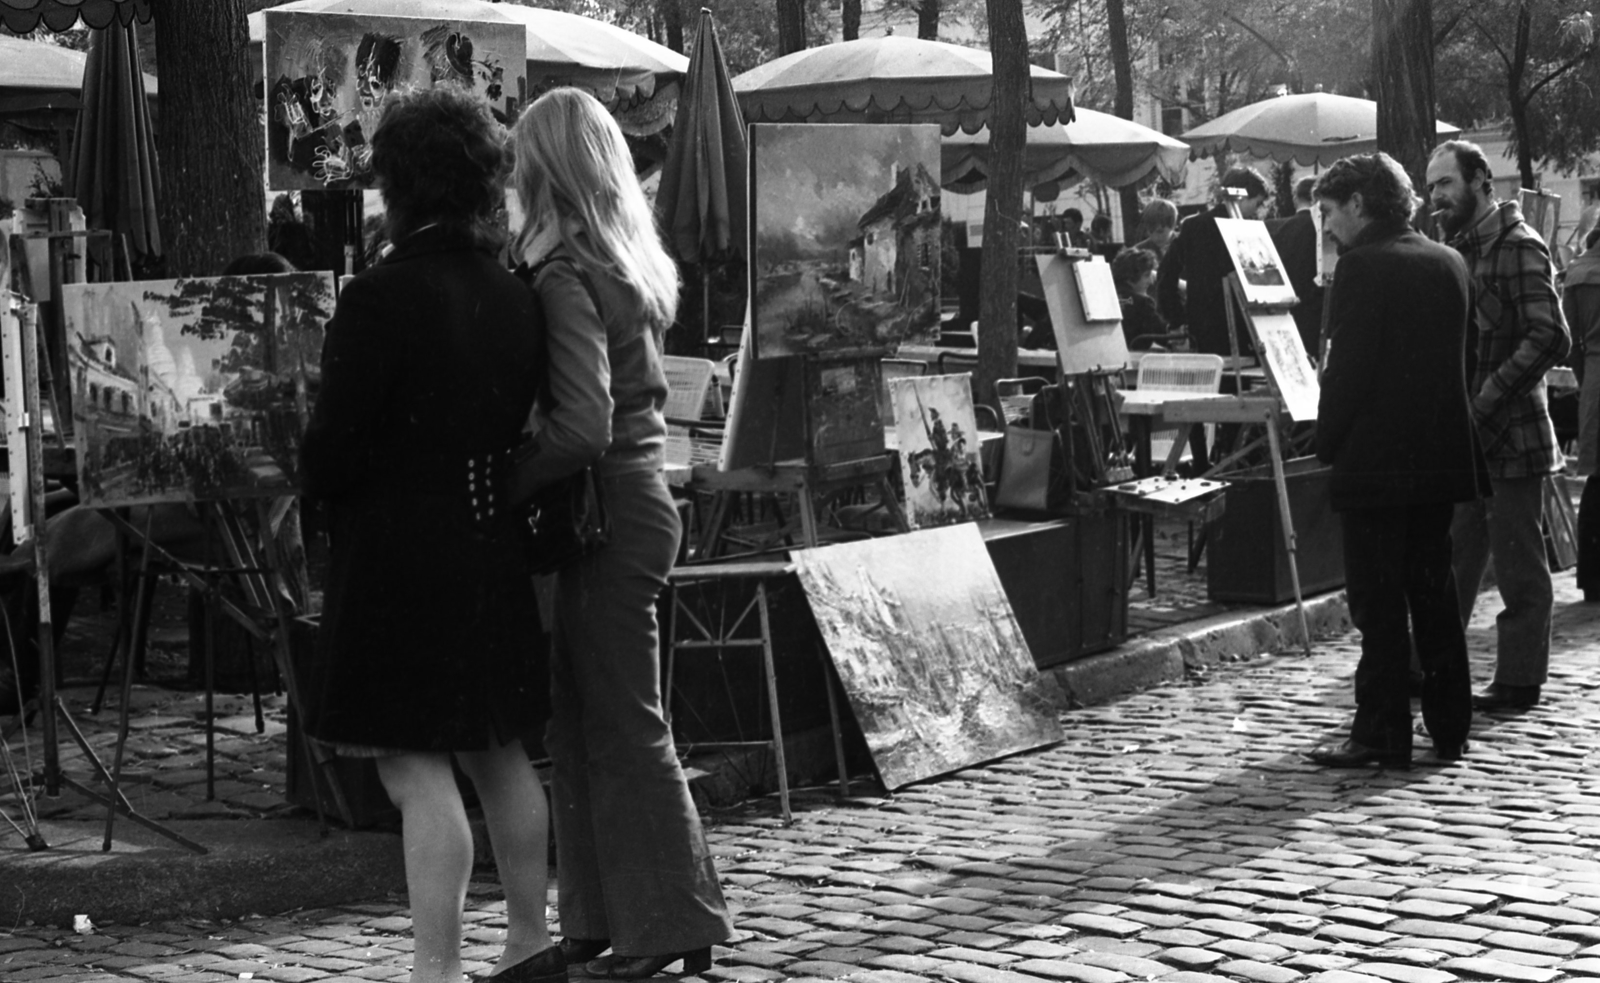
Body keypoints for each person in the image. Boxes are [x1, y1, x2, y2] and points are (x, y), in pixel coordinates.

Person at [299, 87, 559, 983]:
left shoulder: (380, 295)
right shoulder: (516, 292)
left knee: (414, 768)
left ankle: (436, 972)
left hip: (399, 557)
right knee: (497, 749)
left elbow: (334, 446)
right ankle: (530, 940)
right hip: (489, 541)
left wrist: (311, 490)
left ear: (398, 184)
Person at [508, 87, 733, 980]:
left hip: (602, 508)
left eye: (524, 161)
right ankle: (607, 920)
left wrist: (506, 480)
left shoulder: (564, 272)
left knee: (619, 724)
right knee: (584, 721)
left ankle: (671, 925)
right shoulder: (618, 260)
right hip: (632, 502)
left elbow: (582, 426)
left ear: (547, 168)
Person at [1304, 154, 1480, 767]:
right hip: (1437, 462)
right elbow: (1466, 360)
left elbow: (1346, 372)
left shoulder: (1363, 266)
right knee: (1436, 597)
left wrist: (1326, 442)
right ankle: (1451, 726)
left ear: (1358, 204)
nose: (1326, 226)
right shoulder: (1449, 261)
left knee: (1378, 607)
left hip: (1377, 466)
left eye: (1329, 211)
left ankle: (1381, 731)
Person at [1427, 139, 1571, 711]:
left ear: (1481, 181)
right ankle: (1431, 664)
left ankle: (1517, 679)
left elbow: (1551, 336)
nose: (1437, 195)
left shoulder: (1518, 244)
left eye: (1446, 183)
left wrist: (1486, 397)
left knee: (1519, 568)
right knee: (1455, 558)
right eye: (1433, 185)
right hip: (1468, 438)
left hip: (1512, 435)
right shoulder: (1458, 248)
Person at [1156, 166, 1270, 358]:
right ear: (1241, 197)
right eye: (1257, 203)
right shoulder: (1247, 232)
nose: (1257, 211)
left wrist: (1177, 319)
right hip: (1242, 327)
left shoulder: (1194, 226)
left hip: (1203, 328)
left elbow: (1165, 274)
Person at [1564, 227, 1600, 601]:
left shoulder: (1576, 272)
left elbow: (1568, 340)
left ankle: (1591, 574)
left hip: (1594, 376)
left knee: (1596, 477)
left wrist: (1586, 376)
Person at [1268, 176, 1327, 361]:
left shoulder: (1278, 229)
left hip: (1288, 309)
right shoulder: (1325, 228)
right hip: (1319, 310)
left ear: (1296, 199)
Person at [1112, 247, 1167, 350]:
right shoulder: (1143, 303)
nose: (1150, 281)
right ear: (1131, 276)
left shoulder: (1105, 296)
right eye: (1146, 275)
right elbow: (1164, 337)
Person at [1132, 198, 1179, 264]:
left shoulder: (1187, 245)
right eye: (1151, 231)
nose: (1156, 237)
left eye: (1160, 231)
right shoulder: (1138, 252)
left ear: (1173, 225)